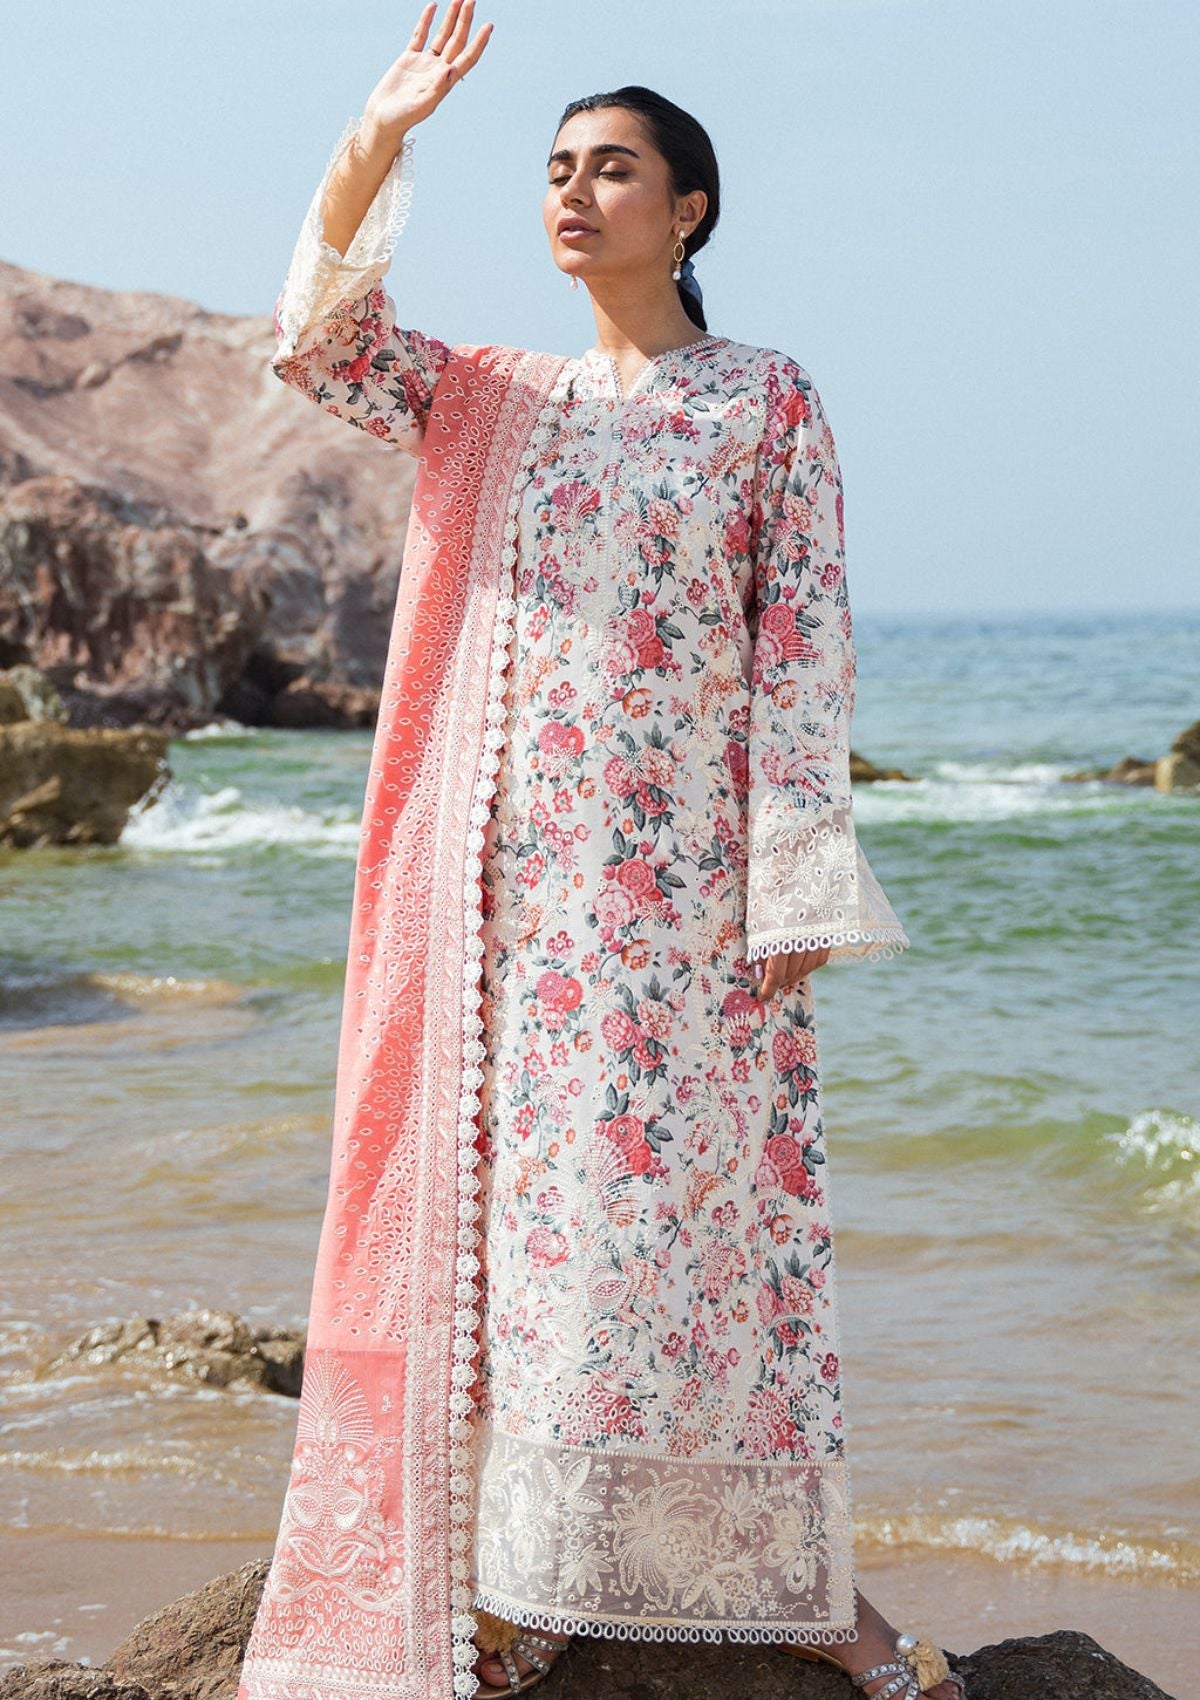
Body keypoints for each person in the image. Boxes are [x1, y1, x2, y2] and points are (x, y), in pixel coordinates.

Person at [236, 6, 964, 1700]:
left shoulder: (765, 400)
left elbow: (804, 647)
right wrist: (379, 131)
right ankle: (535, 1576)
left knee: (702, 1244)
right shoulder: (495, 398)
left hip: (692, 909)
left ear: (688, 207)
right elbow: (318, 344)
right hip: (512, 916)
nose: (572, 191)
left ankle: (802, 1594)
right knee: (536, 1251)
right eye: (556, 168)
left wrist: (793, 876)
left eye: (612, 168)